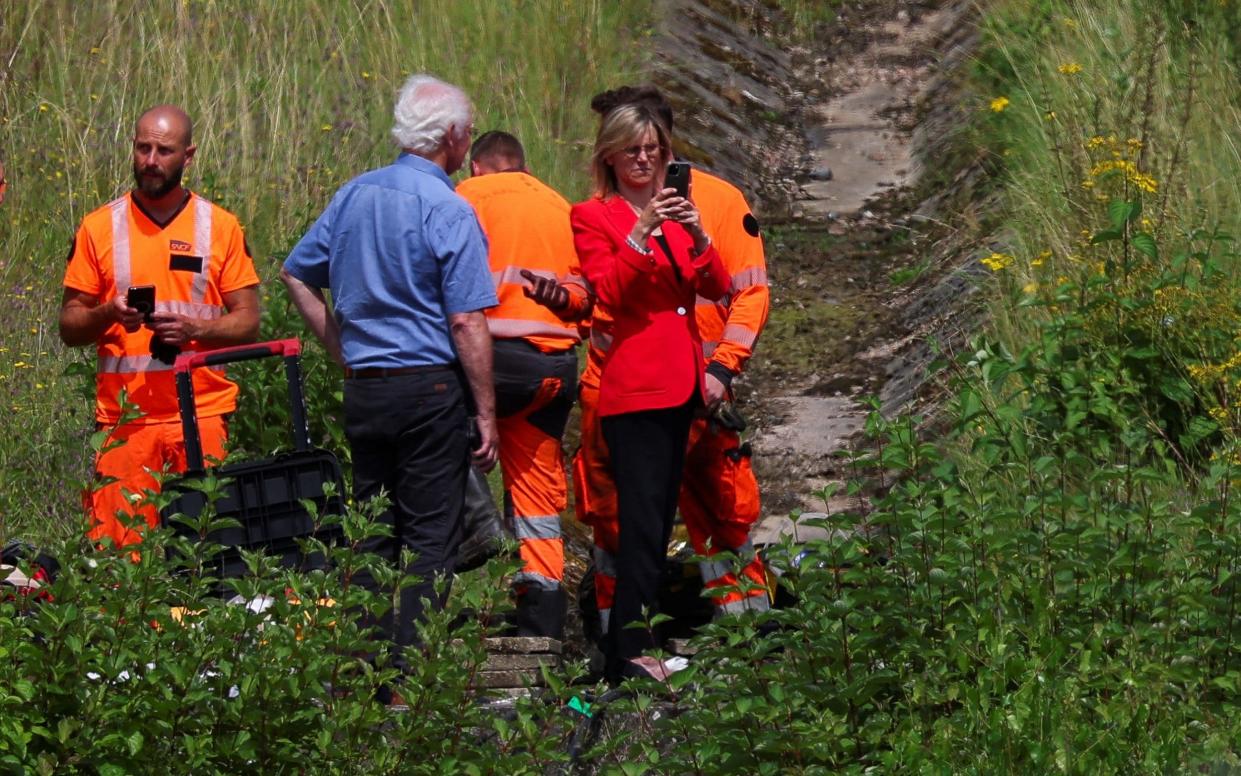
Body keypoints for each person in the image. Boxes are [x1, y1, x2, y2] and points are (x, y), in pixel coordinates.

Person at [281, 74, 499, 676]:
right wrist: (485, 410)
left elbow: (297, 273)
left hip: (366, 387)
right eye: (468, 131)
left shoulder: (354, 195)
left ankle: (364, 670)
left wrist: (340, 346)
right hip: (428, 385)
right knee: (431, 538)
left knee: (373, 529)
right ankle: (407, 676)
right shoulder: (448, 207)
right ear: (453, 137)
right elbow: (465, 322)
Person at [577, 87, 771, 640]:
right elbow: (597, 292)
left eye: (651, 147)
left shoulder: (718, 201)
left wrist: (721, 370)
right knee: (618, 522)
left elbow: (747, 291)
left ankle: (745, 638)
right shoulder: (602, 211)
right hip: (624, 389)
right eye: (629, 146)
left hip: (699, 392)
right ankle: (622, 644)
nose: (643, 159)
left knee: (723, 513)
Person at [60, 104, 261, 548]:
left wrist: (197, 329)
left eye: (164, 151)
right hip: (125, 422)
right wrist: (108, 314)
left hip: (201, 413)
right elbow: (70, 325)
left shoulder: (219, 226)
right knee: (118, 559)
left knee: (204, 558)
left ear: (187, 157)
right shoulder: (99, 227)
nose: (150, 160)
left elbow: (248, 320)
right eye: (142, 148)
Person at [455, 131, 592, 640]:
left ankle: (474, 537)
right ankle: (543, 620)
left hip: (492, 359)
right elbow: (583, 296)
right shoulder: (561, 205)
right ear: (524, 167)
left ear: (475, 168)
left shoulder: (462, 199)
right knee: (537, 495)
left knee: (431, 437)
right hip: (554, 370)